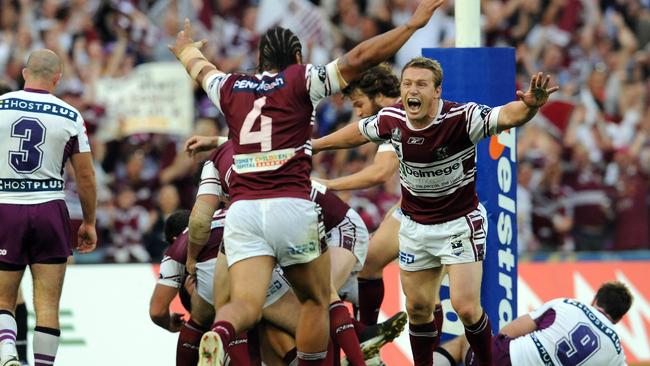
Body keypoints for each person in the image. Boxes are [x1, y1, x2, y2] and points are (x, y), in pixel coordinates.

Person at [172, 1, 445, 364]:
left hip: (243, 212)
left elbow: (201, 69)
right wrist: (411, 25)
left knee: (244, 305)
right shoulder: (303, 79)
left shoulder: (229, 86)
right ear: (297, 56)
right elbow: (361, 55)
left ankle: (220, 334)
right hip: (292, 207)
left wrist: (186, 49)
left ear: (259, 58)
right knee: (319, 300)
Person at [312, 56, 558, 366]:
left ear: (437, 91)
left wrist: (531, 106)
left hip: (459, 223)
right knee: (417, 308)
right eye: (407, 84)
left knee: (466, 308)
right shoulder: (392, 119)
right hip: (416, 226)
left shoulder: (462, 118)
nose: (412, 90)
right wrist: (315, 146)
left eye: (421, 84)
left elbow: (507, 115)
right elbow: (359, 132)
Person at [191, 140, 407, 365]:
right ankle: (359, 335)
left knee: (315, 302)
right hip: (284, 218)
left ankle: (221, 332)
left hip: (332, 227)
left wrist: (190, 258)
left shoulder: (221, 164)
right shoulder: (270, 141)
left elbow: (199, 219)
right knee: (286, 318)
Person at [0, 49, 97, 366]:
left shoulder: (1, 107)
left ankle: (7, 355)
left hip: (6, 206)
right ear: (58, 78)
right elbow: (85, 175)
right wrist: (89, 222)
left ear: (25, 72)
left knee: (3, 299)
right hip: (50, 209)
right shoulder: (70, 116)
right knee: (48, 305)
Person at [432, 281, 633, 366]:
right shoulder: (616, 351)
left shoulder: (568, 304)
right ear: (618, 318)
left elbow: (510, 331)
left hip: (509, 360)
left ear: (595, 299)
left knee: (463, 343)